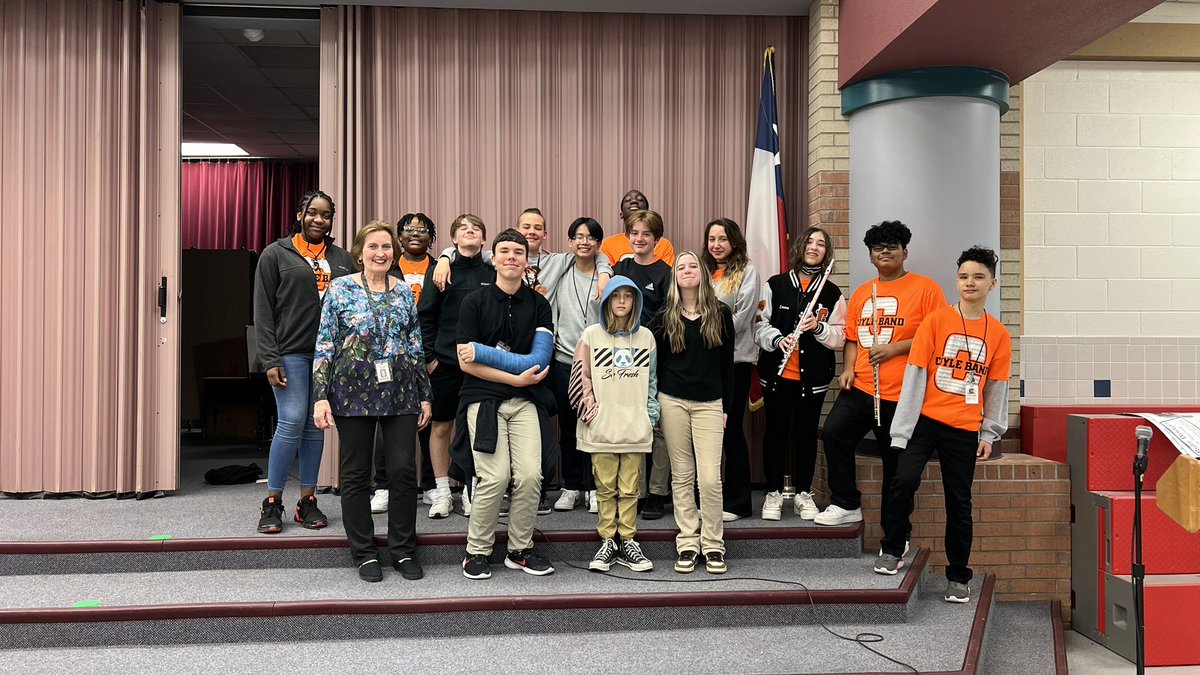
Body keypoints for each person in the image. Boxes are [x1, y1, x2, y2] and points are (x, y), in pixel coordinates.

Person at [434, 208, 613, 515]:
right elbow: (467, 247)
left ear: (544, 235)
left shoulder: (557, 265)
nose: (529, 235)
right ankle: (492, 507)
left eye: (537, 228)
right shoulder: (487, 279)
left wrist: (605, 271)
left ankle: (565, 492)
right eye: (525, 228)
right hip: (494, 385)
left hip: (538, 368)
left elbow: (593, 252)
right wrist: (444, 256)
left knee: (550, 440)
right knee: (499, 467)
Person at [874, 246, 1011, 606]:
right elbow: (915, 375)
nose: (970, 282)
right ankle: (893, 548)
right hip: (925, 423)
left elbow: (996, 388)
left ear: (992, 284)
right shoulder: (936, 321)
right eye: (964, 276)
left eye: (978, 276)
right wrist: (902, 430)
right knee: (903, 481)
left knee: (959, 502)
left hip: (964, 430)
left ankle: (958, 576)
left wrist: (989, 433)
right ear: (956, 281)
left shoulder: (998, 334)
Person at [312, 221, 433, 583]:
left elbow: (415, 346)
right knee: (355, 473)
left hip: (401, 392)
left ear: (394, 253)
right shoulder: (340, 289)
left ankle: (403, 549)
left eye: (386, 247)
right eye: (373, 246)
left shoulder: (404, 292)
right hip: (351, 392)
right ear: (360, 252)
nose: (380, 253)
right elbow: (325, 343)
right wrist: (320, 397)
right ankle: (364, 552)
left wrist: (425, 394)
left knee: (403, 471)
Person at [815, 221, 946, 533]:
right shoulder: (863, 292)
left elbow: (938, 336)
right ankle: (847, 504)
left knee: (895, 463)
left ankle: (895, 535)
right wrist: (848, 369)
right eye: (878, 248)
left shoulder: (926, 288)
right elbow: (851, 339)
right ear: (871, 256)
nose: (884, 252)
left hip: (902, 394)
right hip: (862, 387)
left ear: (905, 252)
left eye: (892, 246)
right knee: (834, 433)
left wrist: (895, 349)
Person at [454, 228, 557, 580]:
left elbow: (539, 360)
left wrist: (488, 357)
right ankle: (476, 551)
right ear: (494, 258)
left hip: (525, 401)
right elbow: (466, 363)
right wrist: (515, 378)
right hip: (483, 399)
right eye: (505, 251)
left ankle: (520, 549)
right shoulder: (474, 302)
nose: (512, 257)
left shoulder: (539, 305)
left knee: (529, 476)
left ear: (527, 261)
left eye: (518, 252)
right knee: (495, 477)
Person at [252, 190, 354, 534]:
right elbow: (263, 309)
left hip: (330, 355)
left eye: (326, 215)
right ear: (300, 215)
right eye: (312, 213)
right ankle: (272, 501)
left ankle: (307, 502)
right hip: (291, 352)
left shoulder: (342, 259)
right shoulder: (276, 253)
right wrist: (270, 358)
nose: (318, 220)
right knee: (292, 420)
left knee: (315, 424)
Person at [754, 227, 846, 521]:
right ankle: (773, 492)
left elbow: (841, 336)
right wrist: (778, 340)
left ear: (826, 252)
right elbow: (759, 324)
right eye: (810, 241)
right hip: (777, 376)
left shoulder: (831, 293)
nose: (814, 247)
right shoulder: (776, 284)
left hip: (813, 380)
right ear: (800, 246)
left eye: (821, 244)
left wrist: (819, 328)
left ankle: (803, 493)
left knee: (806, 436)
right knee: (776, 433)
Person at [652, 252, 735, 575]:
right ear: (674, 277)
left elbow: (728, 365)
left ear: (702, 273)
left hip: (710, 403)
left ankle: (713, 544)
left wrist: (727, 407)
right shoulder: (665, 316)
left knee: (710, 479)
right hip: (672, 401)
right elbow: (656, 365)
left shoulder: (721, 313)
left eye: (692, 266)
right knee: (682, 475)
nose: (687, 271)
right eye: (680, 267)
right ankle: (688, 541)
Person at [571, 277, 659, 572]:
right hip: (603, 425)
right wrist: (591, 412)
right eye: (616, 295)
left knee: (631, 488)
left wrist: (650, 415)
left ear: (636, 301)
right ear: (607, 300)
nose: (622, 301)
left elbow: (652, 382)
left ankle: (628, 541)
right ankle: (608, 540)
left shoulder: (646, 337)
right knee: (605, 487)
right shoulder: (591, 335)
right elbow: (580, 377)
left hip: (635, 425)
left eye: (628, 296)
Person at [418, 214, 494, 519]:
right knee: (441, 427)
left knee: (476, 429)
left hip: (482, 365)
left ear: (483, 239)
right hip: (445, 364)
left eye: (476, 228)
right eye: (463, 228)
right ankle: (442, 492)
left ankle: (469, 491)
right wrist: (430, 360)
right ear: (453, 239)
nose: (470, 231)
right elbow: (425, 316)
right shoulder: (440, 270)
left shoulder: (492, 270)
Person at [371, 213, 437, 516]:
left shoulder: (440, 269)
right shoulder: (386, 267)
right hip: (390, 360)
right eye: (408, 229)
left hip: (431, 359)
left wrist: (433, 357)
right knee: (386, 423)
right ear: (399, 236)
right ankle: (383, 486)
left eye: (422, 230)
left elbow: (447, 316)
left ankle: (432, 485)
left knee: (429, 422)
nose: (415, 234)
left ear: (431, 238)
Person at [613, 210, 673, 520]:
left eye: (646, 234)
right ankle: (635, 491)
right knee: (630, 423)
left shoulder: (665, 273)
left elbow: (669, 317)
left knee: (658, 426)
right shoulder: (620, 268)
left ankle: (658, 492)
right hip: (622, 356)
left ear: (657, 239)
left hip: (657, 354)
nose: (639, 239)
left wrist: (645, 338)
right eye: (634, 233)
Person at [702, 218, 760, 522]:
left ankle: (738, 503)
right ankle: (708, 498)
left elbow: (741, 317)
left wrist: (704, 337)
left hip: (735, 362)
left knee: (731, 430)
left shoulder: (748, 272)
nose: (716, 245)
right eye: (712, 239)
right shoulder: (703, 271)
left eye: (722, 239)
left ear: (734, 241)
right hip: (704, 364)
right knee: (707, 432)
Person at [599, 190, 675, 266]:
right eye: (628, 200)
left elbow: (668, 271)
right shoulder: (608, 244)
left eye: (640, 200)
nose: (634, 201)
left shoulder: (664, 244)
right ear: (621, 214)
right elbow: (606, 271)